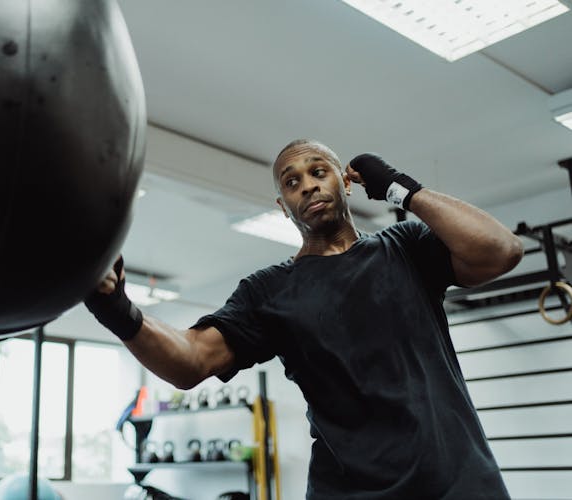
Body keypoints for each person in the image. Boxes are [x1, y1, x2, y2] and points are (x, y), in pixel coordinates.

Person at [85, 139, 524, 499]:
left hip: (461, 484)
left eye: (319, 172)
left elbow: (501, 251)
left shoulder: (404, 248)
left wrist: (400, 189)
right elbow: (193, 360)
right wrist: (119, 312)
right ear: (283, 205)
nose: (308, 187)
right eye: (292, 182)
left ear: (346, 182)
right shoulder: (269, 291)